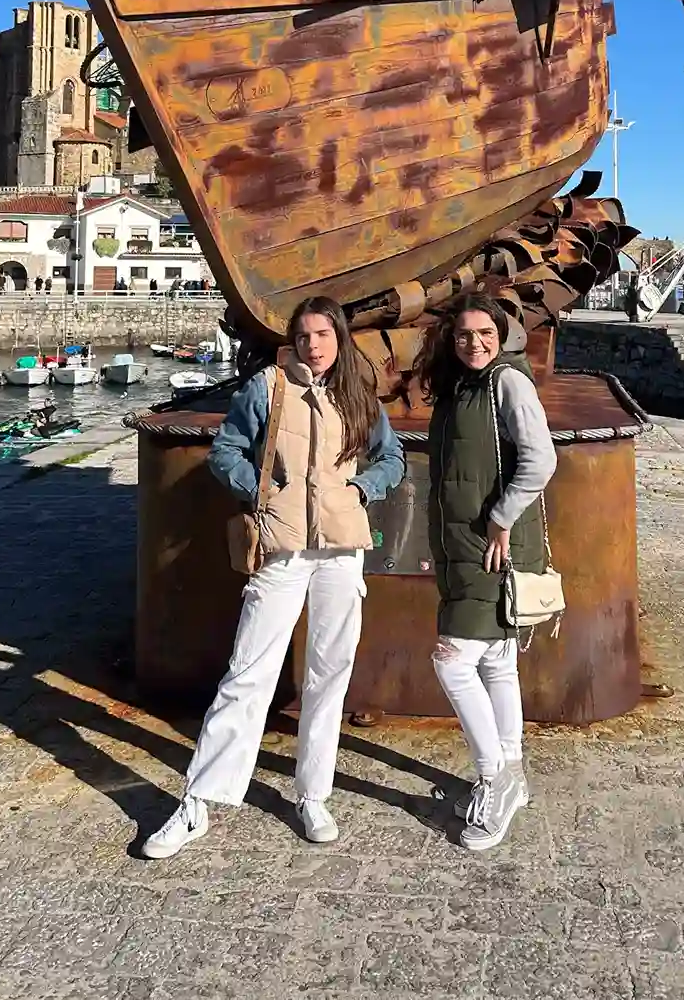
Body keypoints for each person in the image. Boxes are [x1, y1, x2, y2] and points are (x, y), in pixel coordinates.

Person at [142, 295, 405, 860]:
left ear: (339, 338)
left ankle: (313, 794)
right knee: (247, 675)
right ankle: (198, 801)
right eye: (305, 335)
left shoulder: (358, 393)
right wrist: (260, 492)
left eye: (324, 335)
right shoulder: (267, 389)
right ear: (294, 339)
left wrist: (361, 491)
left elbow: (391, 459)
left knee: (328, 676)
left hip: (340, 552)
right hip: (281, 550)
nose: (314, 344)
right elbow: (227, 451)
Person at [415, 292, 558, 852]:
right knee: (497, 660)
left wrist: (500, 519)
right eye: (463, 335)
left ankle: (493, 775)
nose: (473, 343)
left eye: (484, 333)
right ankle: (513, 774)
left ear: (501, 334)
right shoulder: (459, 389)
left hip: (492, 545)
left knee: (451, 660)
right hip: (461, 543)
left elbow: (540, 458)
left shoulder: (508, 383)